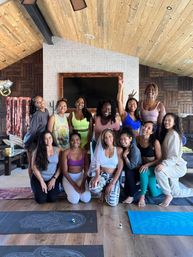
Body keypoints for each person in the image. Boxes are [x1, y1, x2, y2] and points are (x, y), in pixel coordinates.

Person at [155, 113, 193, 207]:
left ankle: (167, 195)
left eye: (169, 120)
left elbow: (175, 156)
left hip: (177, 166)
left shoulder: (174, 135)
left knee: (159, 171)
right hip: (172, 165)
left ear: (174, 122)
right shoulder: (168, 133)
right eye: (165, 120)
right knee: (176, 193)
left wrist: (163, 164)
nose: (166, 122)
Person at [89, 128, 123, 207]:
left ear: (113, 137)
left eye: (110, 136)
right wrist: (97, 176)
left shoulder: (119, 150)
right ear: (103, 139)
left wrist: (112, 183)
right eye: (105, 137)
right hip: (102, 175)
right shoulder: (100, 149)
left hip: (113, 176)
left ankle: (111, 190)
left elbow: (120, 168)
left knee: (112, 203)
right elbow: (97, 163)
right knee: (93, 187)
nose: (108, 139)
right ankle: (102, 192)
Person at [137, 121, 162, 207]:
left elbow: (159, 159)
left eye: (148, 128)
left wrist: (147, 165)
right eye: (144, 126)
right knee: (154, 192)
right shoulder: (138, 139)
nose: (145, 129)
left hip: (152, 168)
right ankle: (143, 195)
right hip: (142, 166)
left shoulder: (155, 142)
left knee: (154, 193)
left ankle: (142, 196)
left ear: (152, 132)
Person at [31, 131, 61, 204]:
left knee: (52, 198)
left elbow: (61, 166)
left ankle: (56, 188)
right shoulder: (37, 151)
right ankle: (36, 189)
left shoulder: (58, 150)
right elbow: (33, 167)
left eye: (50, 137)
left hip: (52, 178)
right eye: (45, 138)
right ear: (42, 140)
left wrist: (54, 179)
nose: (48, 140)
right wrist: (41, 181)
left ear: (52, 138)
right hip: (39, 179)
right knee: (41, 199)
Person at [61, 132, 91, 204]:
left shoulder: (84, 152)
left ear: (80, 141)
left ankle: (77, 193)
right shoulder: (65, 152)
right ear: (70, 141)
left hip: (81, 176)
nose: (75, 142)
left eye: (77, 139)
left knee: (86, 198)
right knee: (74, 200)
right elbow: (64, 172)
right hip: (68, 178)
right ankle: (71, 191)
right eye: (72, 140)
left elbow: (86, 169)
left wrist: (83, 183)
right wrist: (75, 186)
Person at [24, 96, 49, 177]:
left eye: (41, 101)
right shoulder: (37, 115)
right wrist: (27, 143)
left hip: (41, 141)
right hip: (33, 141)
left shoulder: (46, 111)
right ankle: (32, 184)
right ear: (35, 105)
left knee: (39, 164)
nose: (41, 103)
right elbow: (32, 131)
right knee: (32, 165)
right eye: (38, 102)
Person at [119, 128, 142, 204]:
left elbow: (132, 166)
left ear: (130, 139)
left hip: (136, 171)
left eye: (125, 139)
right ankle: (134, 190)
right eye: (121, 139)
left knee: (128, 171)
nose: (122, 141)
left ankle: (131, 197)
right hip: (129, 170)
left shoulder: (134, 149)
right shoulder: (124, 148)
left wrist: (125, 156)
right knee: (126, 192)